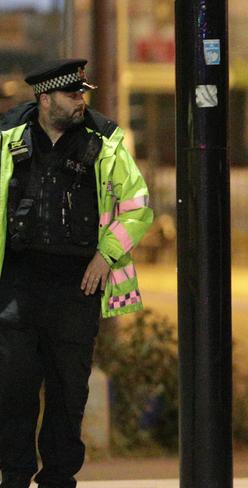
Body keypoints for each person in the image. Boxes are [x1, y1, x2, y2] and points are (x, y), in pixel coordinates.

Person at [0, 59, 153, 488]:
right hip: (17, 283)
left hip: (77, 285)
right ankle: (13, 475)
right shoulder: (8, 137)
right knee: (12, 389)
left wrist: (106, 256)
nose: (81, 100)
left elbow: (138, 205)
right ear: (45, 98)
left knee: (69, 392)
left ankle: (58, 478)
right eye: (73, 94)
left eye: (83, 93)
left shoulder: (104, 142)